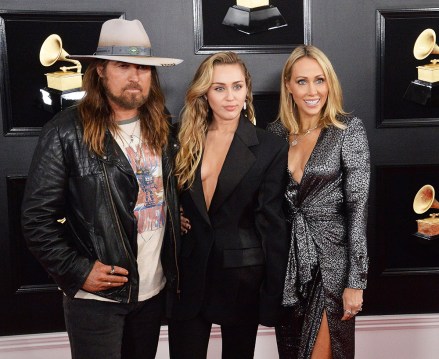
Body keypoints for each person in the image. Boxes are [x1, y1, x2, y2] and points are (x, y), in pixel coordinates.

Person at [21, 18, 182, 359]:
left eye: (143, 67)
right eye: (123, 66)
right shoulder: (65, 132)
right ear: (99, 72)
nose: (135, 77)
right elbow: (36, 220)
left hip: (152, 294)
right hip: (97, 302)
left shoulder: (162, 124)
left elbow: (159, 192)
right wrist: (79, 271)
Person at [168, 51, 289, 359]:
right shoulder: (181, 139)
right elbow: (158, 194)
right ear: (205, 93)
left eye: (237, 86)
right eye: (219, 88)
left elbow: (271, 223)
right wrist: (175, 213)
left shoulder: (269, 147)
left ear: (247, 90)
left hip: (242, 278)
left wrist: (274, 293)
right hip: (188, 273)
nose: (230, 96)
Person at [266, 45, 370, 359]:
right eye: (302, 81)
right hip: (288, 268)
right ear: (288, 85)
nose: (313, 91)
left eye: (320, 80)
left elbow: (358, 208)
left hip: (332, 266)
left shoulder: (347, 130)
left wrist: (356, 280)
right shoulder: (274, 134)